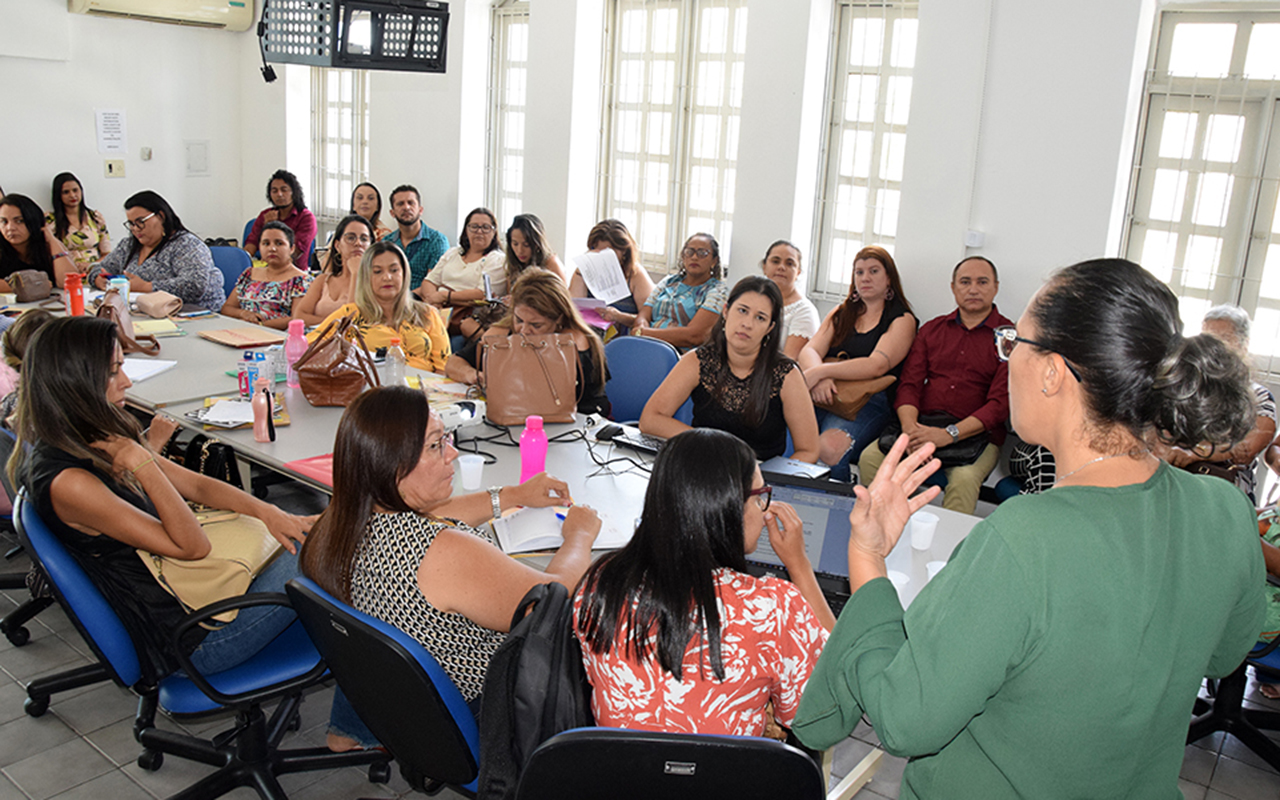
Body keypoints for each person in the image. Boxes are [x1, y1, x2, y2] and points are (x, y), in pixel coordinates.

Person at [793, 258, 1264, 799]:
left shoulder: (1024, 537)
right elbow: (1227, 652)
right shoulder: (1224, 508)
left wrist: (868, 557)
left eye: (1014, 342)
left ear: (1051, 371)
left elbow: (905, 718)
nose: (1007, 354)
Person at [13, 316, 316, 682]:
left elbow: (200, 487)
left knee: (310, 530)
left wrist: (270, 512)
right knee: (334, 549)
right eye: (112, 372)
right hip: (193, 640)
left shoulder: (87, 435)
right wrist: (145, 463)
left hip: (195, 598)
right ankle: (362, 709)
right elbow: (193, 547)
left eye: (122, 367)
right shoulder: (70, 482)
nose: (125, 381)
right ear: (73, 382)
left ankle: (360, 694)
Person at [299, 385, 600, 748]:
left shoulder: (340, 521)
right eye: (435, 445)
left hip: (404, 703)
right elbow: (550, 601)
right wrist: (579, 536)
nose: (452, 454)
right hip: (483, 712)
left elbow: (427, 513)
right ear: (392, 465)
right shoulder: (441, 552)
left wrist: (510, 496)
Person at [574, 428, 832, 737]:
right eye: (760, 496)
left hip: (623, 778)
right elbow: (821, 716)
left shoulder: (602, 583)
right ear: (728, 507)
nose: (764, 512)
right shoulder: (773, 608)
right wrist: (800, 566)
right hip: (729, 780)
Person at [856, 256, 1009, 514]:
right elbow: (909, 385)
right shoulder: (931, 330)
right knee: (871, 459)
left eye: (982, 282)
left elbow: (999, 406)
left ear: (995, 287)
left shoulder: (1008, 338)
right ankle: (882, 534)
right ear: (953, 287)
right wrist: (911, 432)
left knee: (963, 480)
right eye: (965, 282)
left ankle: (950, 552)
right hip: (922, 427)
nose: (973, 289)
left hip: (975, 437)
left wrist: (948, 434)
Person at [640, 276, 820, 462]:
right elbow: (650, 419)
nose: (747, 324)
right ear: (725, 311)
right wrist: (710, 446)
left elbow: (809, 450)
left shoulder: (786, 374)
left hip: (757, 478)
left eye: (760, 318)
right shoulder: (698, 360)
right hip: (702, 463)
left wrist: (768, 482)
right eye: (742, 311)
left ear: (769, 328)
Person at [798, 246, 917, 482]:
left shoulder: (902, 319)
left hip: (869, 402)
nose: (865, 278)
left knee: (830, 449)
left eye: (873, 271)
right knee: (787, 437)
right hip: (822, 393)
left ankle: (841, 509)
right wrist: (821, 378)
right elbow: (809, 350)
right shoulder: (841, 313)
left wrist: (822, 371)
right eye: (859, 272)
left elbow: (876, 365)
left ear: (889, 279)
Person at [445, 268, 611, 417]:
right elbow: (454, 362)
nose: (523, 330)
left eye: (536, 325)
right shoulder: (503, 333)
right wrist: (473, 375)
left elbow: (566, 406)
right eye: (519, 319)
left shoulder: (575, 345)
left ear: (559, 319)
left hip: (576, 424)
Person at [1159, 305, 1275, 505]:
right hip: (1177, 486)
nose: (1214, 347)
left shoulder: (1259, 395)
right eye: (1208, 338)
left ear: (1244, 344)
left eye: (1224, 339)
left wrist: (1194, 453)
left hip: (1228, 493)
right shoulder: (1184, 385)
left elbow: (1247, 449)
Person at [312, 241, 451, 372]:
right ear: (366, 277)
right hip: (372, 389)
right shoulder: (350, 314)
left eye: (394, 270)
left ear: (404, 273)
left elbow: (443, 367)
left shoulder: (427, 313)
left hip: (424, 390)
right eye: (377, 271)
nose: (387, 277)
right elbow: (310, 345)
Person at [88, 191, 225, 310]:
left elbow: (195, 285)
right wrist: (97, 279)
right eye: (131, 224)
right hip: (145, 314)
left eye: (140, 221)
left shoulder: (186, 245)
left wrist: (147, 287)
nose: (135, 229)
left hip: (196, 315)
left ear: (161, 216)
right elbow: (100, 268)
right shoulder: (129, 245)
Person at [606, 233, 728, 352]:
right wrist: (642, 327)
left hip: (682, 357)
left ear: (714, 261)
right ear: (683, 257)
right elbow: (643, 316)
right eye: (689, 252)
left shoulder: (718, 291)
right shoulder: (668, 282)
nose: (694, 257)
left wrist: (643, 333)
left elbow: (694, 336)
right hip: (647, 347)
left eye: (702, 253)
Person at [420, 208, 508, 340]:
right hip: (438, 311)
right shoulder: (453, 253)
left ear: (494, 232)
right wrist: (433, 301)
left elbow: (482, 293)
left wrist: (445, 296)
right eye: (474, 227)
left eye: (485, 227)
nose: (479, 231)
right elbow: (429, 281)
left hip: (467, 318)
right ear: (466, 230)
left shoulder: (496, 258)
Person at [220, 222, 312, 330]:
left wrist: (259, 326)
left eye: (279, 243)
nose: (272, 248)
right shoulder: (249, 274)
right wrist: (244, 314)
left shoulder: (301, 280)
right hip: (243, 332)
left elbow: (297, 319)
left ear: (291, 248)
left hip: (277, 337)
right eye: (266, 243)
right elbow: (227, 308)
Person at [569, 219, 654, 328]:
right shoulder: (582, 271)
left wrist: (618, 316)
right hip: (592, 332)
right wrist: (581, 273)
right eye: (594, 249)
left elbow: (649, 319)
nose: (599, 256)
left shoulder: (635, 274)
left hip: (624, 335)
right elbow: (573, 309)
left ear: (623, 251)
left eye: (607, 252)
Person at [292, 214, 371, 326]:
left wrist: (356, 273)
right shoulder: (323, 280)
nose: (358, 243)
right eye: (350, 237)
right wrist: (334, 323)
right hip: (318, 339)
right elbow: (299, 316)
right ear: (337, 245)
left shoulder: (374, 283)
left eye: (364, 239)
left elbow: (354, 322)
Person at [242, 170, 316, 269]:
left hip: (293, 273)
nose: (279, 194)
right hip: (264, 270)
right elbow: (251, 243)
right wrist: (243, 260)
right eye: (274, 191)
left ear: (294, 193)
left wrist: (271, 227)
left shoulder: (306, 218)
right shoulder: (265, 215)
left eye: (284, 190)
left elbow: (294, 252)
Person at [0, 194, 74, 290]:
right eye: (4, 222)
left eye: (19, 221)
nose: (10, 228)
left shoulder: (48, 245)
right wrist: (30, 287)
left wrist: (52, 239)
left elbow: (69, 282)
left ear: (33, 221)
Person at [762, 240, 820, 360]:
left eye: (790, 264)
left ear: (798, 272)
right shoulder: (755, 299)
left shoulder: (804, 311)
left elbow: (788, 362)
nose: (781, 267)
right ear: (764, 267)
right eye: (775, 261)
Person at [383, 185, 449, 290]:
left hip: (422, 302)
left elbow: (434, 283)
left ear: (420, 210)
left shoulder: (437, 241)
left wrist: (406, 301)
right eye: (400, 204)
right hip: (390, 299)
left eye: (411, 203)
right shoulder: (386, 243)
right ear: (392, 213)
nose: (406, 207)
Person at [47, 172, 111, 273]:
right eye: (66, 192)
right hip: (66, 274)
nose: (72, 195)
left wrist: (91, 265)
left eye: (75, 190)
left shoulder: (95, 217)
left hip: (94, 273)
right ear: (58, 195)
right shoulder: (50, 220)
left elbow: (107, 254)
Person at [503, 213, 568, 288]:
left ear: (537, 243)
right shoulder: (513, 264)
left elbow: (563, 297)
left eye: (526, 245)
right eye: (515, 244)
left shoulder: (551, 263)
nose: (520, 250)